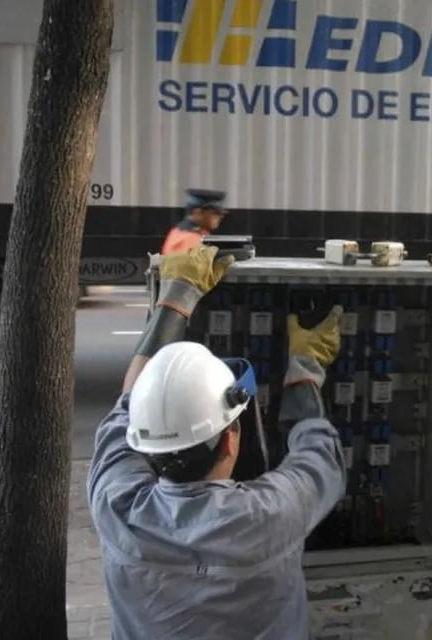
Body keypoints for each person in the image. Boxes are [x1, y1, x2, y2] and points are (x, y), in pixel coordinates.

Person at [87, 244, 347, 639]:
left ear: (146, 446)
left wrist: (178, 295)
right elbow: (318, 453)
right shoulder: (271, 515)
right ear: (230, 440)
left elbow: (129, 404)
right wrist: (306, 366)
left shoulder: (115, 505)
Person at [161, 188, 229, 255]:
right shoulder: (190, 239)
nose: (221, 216)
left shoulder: (179, 231)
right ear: (198, 213)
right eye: (215, 213)